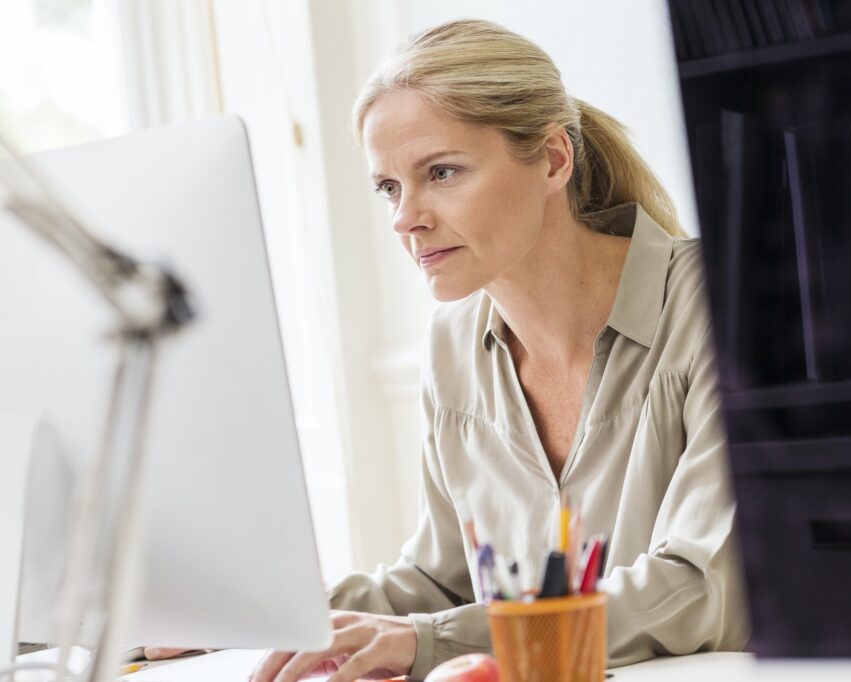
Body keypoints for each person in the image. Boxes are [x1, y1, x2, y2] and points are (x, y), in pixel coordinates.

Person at [245, 18, 748, 682]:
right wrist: (268, 623)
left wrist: (429, 641)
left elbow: (696, 590)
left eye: (442, 172)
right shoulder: (454, 344)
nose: (405, 217)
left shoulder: (725, 303)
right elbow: (440, 577)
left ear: (553, 159)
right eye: (390, 187)